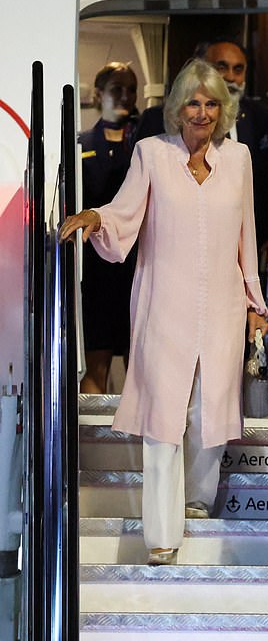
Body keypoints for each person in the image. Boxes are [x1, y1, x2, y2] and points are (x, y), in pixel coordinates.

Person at [60, 59, 268, 566]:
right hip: (163, 307)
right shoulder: (151, 153)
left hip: (222, 308)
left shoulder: (238, 159)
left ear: (223, 111)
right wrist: (93, 216)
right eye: (194, 102)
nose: (202, 112)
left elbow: (248, 236)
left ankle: (196, 504)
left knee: (208, 413)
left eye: (212, 103)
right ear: (177, 108)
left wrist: (255, 306)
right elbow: (125, 210)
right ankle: (160, 536)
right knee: (162, 419)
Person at [196, 38, 268, 395]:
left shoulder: (266, 120)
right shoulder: (182, 124)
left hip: (258, 258)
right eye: (221, 66)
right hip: (201, 262)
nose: (231, 76)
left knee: (256, 351)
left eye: (238, 68)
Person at [78, 62, 141, 393]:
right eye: (118, 88)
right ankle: (91, 444)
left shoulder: (148, 143)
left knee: (140, 365)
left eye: (132, 88)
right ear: (98, 94)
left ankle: (138, 443)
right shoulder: (80, 144)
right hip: (97, 271)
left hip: (137, 266)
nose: (126, 96)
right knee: (96, 364)